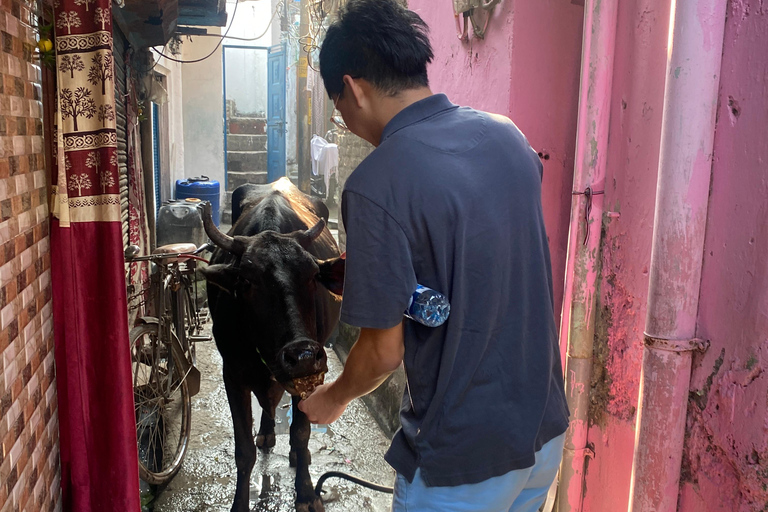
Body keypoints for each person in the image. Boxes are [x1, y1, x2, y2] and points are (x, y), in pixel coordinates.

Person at [298, 1, 569, 510]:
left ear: (353, 88)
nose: (343, 116)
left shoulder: (376, 185)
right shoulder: (510, 137)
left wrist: (333, 398)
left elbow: (383, 352)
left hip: (461, 466)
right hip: (542, 434)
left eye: (337, 101)